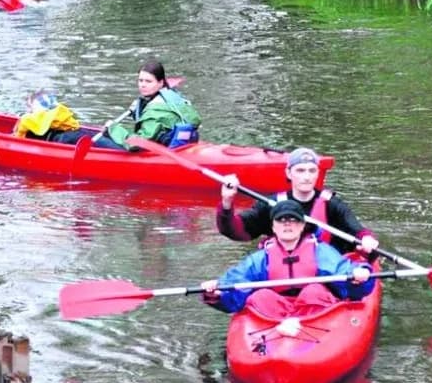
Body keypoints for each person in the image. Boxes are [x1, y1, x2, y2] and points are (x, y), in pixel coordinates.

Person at [201, 200, 375, 318]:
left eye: (293, 220)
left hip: (315, 313)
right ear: (273, 227)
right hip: (272, 315)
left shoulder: (320, 252)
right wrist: (216, 293)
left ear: (302, 227)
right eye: (281, 220)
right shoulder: (261, 259)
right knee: (261, 296)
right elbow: (235, 282)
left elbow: (344, 270)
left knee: (314, 291)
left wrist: (358, 276)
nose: (287, 224)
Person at [217, 147, 379, 257]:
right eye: (300, 170)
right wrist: (227, 202)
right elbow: (235, 230)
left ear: (317, 174)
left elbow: (357, 229)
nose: (306, 176)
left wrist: (366, 239)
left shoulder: (332, 204)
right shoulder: (272, 204)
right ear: (288, 173)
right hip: (283, 269)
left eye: (311, 170)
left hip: (327, 270)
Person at [94, 59, 202, 150]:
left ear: (160, 83)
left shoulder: (154, 113)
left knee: (94, 138)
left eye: (148, 81)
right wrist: (140, 107)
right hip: (179, 143)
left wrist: (113, 129)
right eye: (140, 80)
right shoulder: (172, 96)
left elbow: (136, 144)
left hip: (152, 150)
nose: (143, 85)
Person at [13, 90, 91, 143]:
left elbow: (18, 139)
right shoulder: (58, 109)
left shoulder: (27, 119)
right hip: (76, 132)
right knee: (93, 138)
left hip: (64, 139)